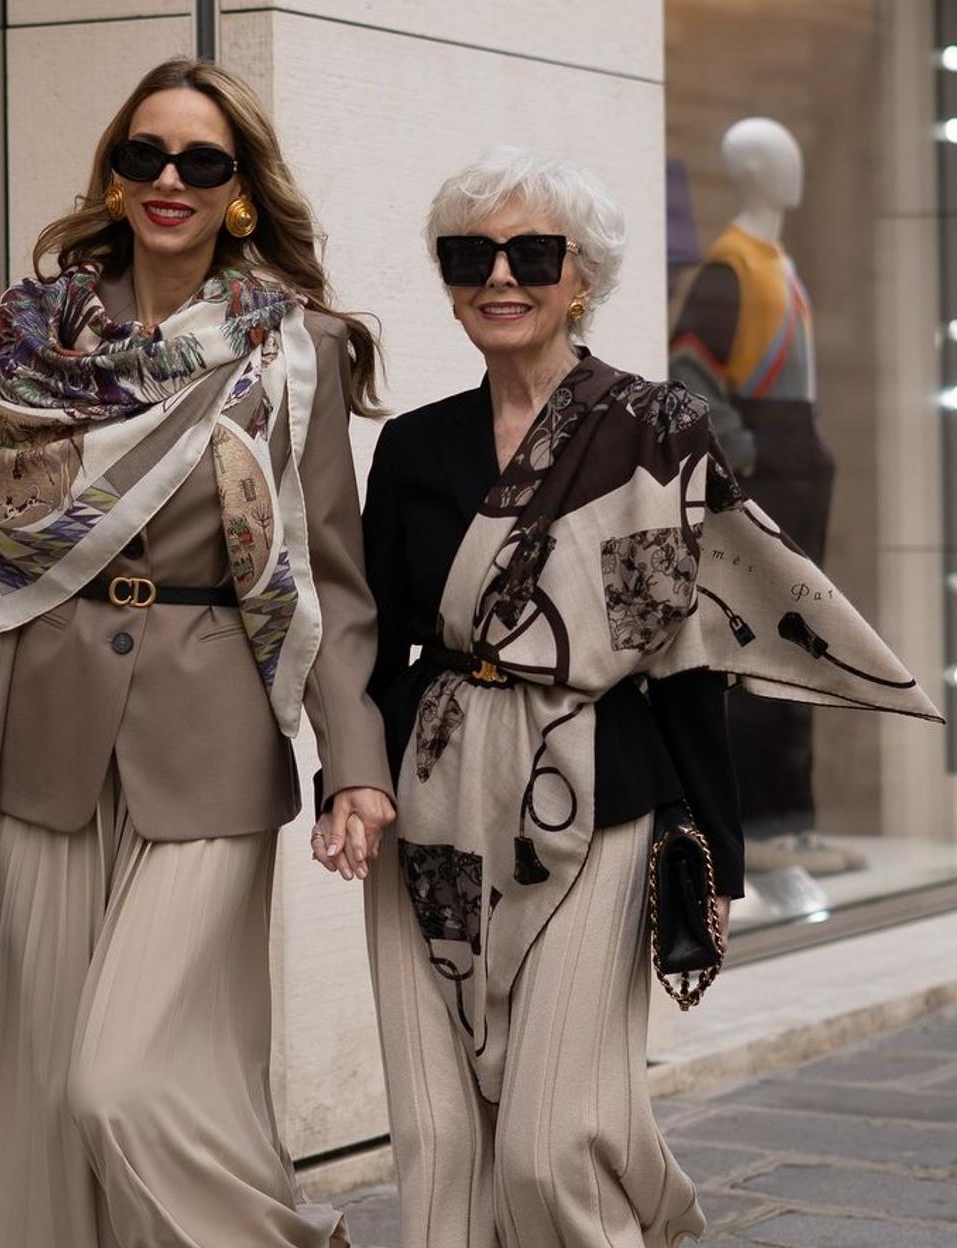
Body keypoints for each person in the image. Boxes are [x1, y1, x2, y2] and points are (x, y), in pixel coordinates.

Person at [341, 146, 939, 1248]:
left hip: (595, 789)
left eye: (531, 252)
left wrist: (715, 846)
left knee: (548, 1144)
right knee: (436, 1141)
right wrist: (353, 784)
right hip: (431, 795)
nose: (500, 277)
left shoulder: (654, 435)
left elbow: (687, 654)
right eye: (472, 255)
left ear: (582, 277)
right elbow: (373, 643)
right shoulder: (414, 447)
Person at [0, 56, 394, 1248]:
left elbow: (334, 582)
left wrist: (354, 761)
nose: (169, 180)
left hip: (211, 749)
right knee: (46, 1099)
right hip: (44, 750)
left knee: (126, 1085)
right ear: (111, 170)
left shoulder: (297, 348)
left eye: (202, 162)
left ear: (239, 189)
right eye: (145, 154)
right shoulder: (32, 338)